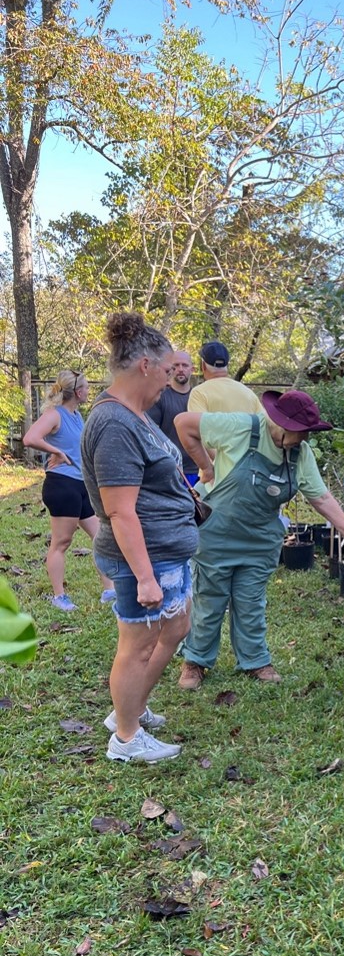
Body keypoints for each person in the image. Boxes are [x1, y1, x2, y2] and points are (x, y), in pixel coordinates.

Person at [174, 389, 344, 689]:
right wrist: (206, 466)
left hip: (260, 539)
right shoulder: (242, 427)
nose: (305, 440)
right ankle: (195, 661)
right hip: (219, 534)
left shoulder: (300, 454)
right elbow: (183, 423)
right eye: (302, 433)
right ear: (282, 425)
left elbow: (320, 496)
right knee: (210, 599)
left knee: (251, 601)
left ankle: (255, 661)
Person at [81, 312, 198, 763]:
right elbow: (119, 511)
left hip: (166, 550)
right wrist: (145, 578)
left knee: (176, 627)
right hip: (142, 558)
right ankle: (126, 739)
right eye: (168, 372)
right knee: (138, 645)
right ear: (145, 366)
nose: (171, 382)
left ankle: (129, 710)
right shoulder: (113, 424)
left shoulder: (136, 416)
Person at [22, 370, 116, 611]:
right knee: (61, 542)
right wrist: (56, 452)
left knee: (100, 538)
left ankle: (110, 590)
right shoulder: (55, 415)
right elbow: (30, 438)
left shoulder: (77, 415)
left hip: (81, 485)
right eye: (85, 387)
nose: (88, 390)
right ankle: (59, 597)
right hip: (61, 485)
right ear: (76, 392)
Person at [147, 349, 199, 485]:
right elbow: (151, 434)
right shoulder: (160, 397)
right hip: (173, 470)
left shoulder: (200, 397)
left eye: (184, 365)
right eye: (175, 366)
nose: (180, 369)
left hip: (200, 469)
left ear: (192, 369)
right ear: (169, 369)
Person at [187, 340, 263, 415]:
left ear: (203, 366)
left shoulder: (199, 393)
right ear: (227, 366)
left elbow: (196, 425)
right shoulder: (248, 393)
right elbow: (269, 423)